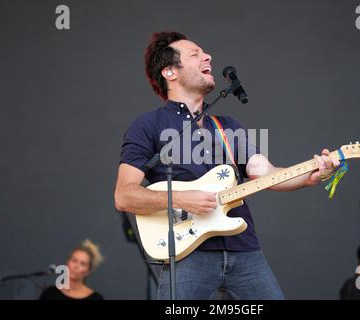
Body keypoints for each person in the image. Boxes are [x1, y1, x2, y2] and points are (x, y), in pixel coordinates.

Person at [114, 31, 340, 300]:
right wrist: (184, 199)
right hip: (188, 255)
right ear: (170, 72)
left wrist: (310, 174)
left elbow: (267, 173)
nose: (207, 56)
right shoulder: (148, 125)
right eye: (195, 54)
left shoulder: (228, 127)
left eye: (205, 52)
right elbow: (124, 195)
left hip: (244, 251)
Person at [39, 239, 104, 300]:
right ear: (67, 262)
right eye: (74, 260)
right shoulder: (50, 293)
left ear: (88, 271)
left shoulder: (96, 298)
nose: (76, 266)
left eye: (82, 264)